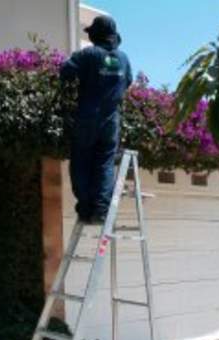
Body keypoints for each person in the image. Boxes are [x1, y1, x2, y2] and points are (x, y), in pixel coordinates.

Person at [60, 15, 133, 224]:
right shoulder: (124, 59)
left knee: (81, 162)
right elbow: (127, 81)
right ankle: (101, 210)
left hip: (87, 117)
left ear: (96, 34)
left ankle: (85, 209)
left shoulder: (88, 54)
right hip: (111, 122)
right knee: (104, 165)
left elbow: (65, 72)